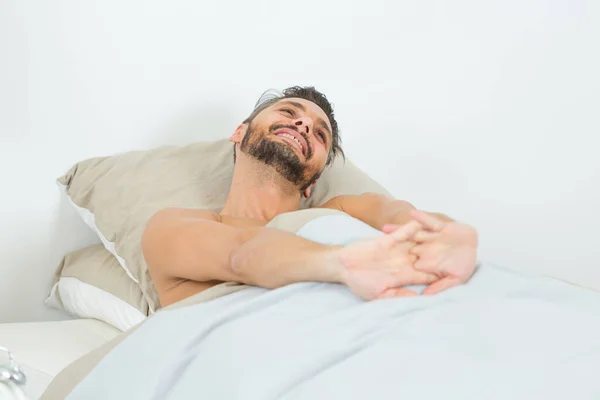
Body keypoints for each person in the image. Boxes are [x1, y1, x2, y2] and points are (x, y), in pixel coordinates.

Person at [142, 86, 479, 307]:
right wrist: (340, 264)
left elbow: (396, 214)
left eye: (320, 134)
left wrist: (443, 234)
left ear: (312, 181)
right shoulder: (172, 225)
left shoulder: (341, 211)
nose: (304, 124)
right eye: (288, 113)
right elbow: (238, 254)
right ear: (239, 132)